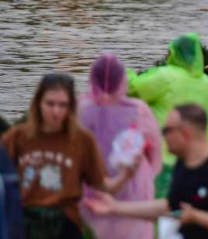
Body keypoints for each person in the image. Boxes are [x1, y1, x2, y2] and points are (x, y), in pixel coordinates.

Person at [84, 104, 208, 239]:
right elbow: (169, 206)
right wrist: (116, 208)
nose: (163, 137)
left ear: (185, 133)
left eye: (166, 131)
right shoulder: (183, 163)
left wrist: (198, 217)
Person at [2, 74, 137, 239]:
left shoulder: (82, 140)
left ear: (71, 107)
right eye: (50, 104)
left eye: (62, 105)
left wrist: (125, 174)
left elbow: (102, 184)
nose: (56, 111)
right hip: (25, 221)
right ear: (38, 104)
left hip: (65, 222)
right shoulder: (17, 137)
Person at [79, 55, 162, 239]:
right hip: (134, 184)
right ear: (122, 80)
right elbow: (156, 151)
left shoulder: (82, 108)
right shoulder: (138, 109)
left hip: (92, 185)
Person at [128, 34, 208, 196]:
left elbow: (134, 89)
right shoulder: (206, 82)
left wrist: (126, 73)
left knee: (163, 208)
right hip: (204, 158)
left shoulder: (165, 76)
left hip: (167, 157)